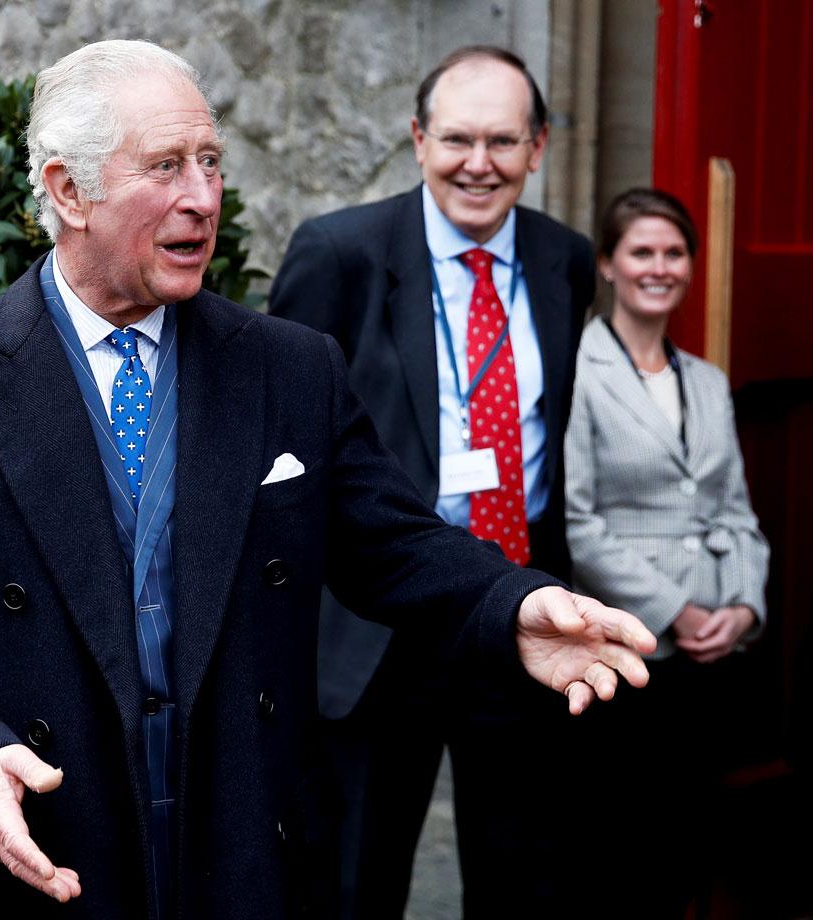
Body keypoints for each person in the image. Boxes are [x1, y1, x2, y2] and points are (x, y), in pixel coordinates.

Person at [0, 40, 654, 920]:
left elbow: (391, 541)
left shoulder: (289, 369)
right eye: (168, 166)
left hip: (246, 852)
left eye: (211, 162)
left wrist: (512, 605)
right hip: (45, 854)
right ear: (68, 192)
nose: (204, 198)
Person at [268, 45, 594, 917]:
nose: (477, 165)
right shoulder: (339, 254)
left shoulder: (567, 261)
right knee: (352, 885)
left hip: (516, 613)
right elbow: (280, 457)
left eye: (501, 141)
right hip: (380, 628)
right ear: (417, 140)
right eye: (456, 139)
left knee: (520, 877)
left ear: (538, 147)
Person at [566, 187, 768, 917]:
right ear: (609, 265)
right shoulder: (579, 373)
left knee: (696, 843)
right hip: (630, 645)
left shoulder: (708, 382)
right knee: (624, 850)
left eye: (674, 252)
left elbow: (736, 513)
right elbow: (579, 522)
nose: (660, 267)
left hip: (716, 653)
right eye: (642, 252)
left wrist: (743, 607)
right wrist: (674, 610)